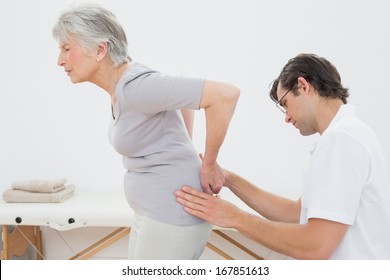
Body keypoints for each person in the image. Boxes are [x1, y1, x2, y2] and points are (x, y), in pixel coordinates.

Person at [52, 3, 239, 260]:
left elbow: (224, 95)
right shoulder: (124, 87)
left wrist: (208, 163)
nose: (60, 60)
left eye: (66, 49)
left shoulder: (135, 86)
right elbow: (184, 99)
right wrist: (183, 146)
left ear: (99, 49)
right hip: (153, 213)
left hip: (172, 215)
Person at [175, 53, 390, 259]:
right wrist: (228, 179)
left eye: (285, 104)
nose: (287, 118)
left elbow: (317, 245)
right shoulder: (346, 135)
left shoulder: (343, 139)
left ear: (303, 86)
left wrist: (234, 217)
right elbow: (295, 213)